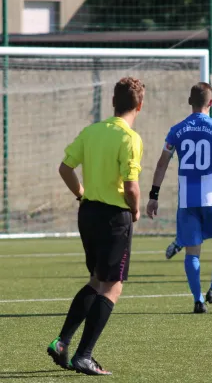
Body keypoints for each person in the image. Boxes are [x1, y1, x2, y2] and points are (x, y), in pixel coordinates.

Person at [47, 77, 145, 375]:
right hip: (114, 217)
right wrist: (136, 210)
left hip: (87, 212)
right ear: (140, 106)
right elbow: (131, 187)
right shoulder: (130, 138)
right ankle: (83, 356)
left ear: (113, 102)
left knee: (96, 280)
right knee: (113, 287)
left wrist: (80, 194)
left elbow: (65, 167)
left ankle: (62, 342)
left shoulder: (91, 131)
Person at [147, 82, 212, 314]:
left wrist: (154, 195)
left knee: (192, 251)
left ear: (190, 102)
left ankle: (198, 300)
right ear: (211, 102)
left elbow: (162, 163)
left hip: (187, 201)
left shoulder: (176, 130)